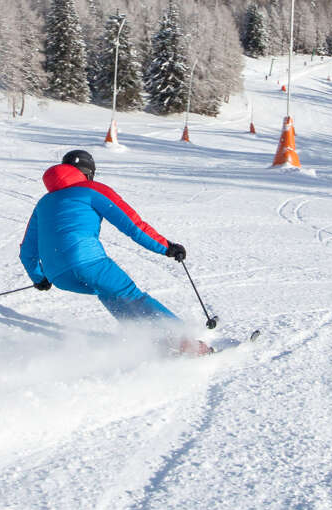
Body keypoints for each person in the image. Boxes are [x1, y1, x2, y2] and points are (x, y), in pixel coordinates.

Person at [18, 149, 212, 355]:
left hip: (58, 276)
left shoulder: (43, 202)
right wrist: (166, 247)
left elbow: (27, 252)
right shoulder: (91, 189)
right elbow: (133, 226)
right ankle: (188, 344)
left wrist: (39, 277)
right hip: (88, 262)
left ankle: (152, 341)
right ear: (89, 172)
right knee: (131, 296)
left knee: (109, 294)